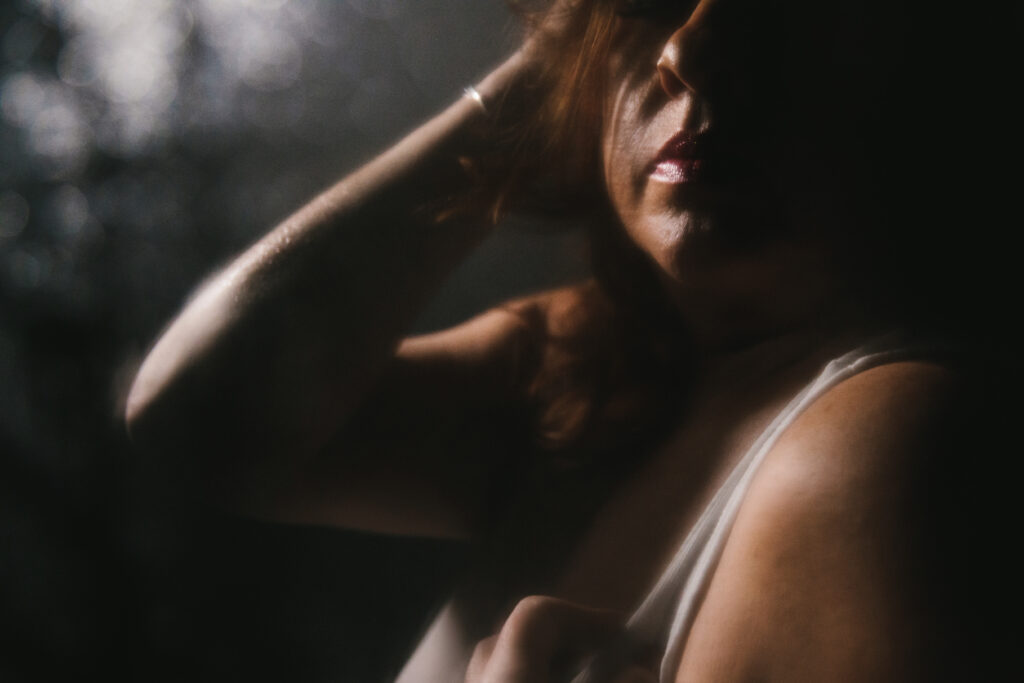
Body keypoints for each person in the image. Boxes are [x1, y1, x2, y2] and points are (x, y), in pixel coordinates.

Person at [125, 0, 1020, 681]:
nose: (688, 53)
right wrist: (550, 79)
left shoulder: (897, 449)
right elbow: (199, 422)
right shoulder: (577, 375)